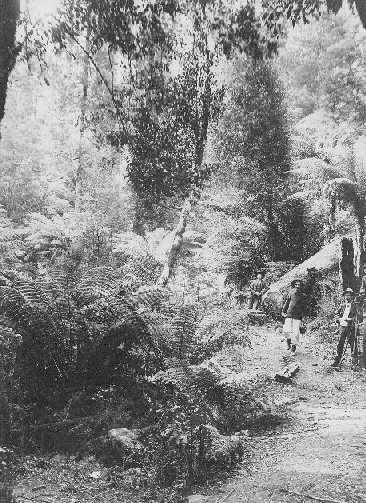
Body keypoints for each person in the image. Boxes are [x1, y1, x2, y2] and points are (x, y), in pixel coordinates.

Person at [331, 287, 357, 367]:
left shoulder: (355, 306)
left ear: (352, 296)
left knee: (353, 344)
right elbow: (337, 314)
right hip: (342, 326)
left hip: (350, 327)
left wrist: (350, 319)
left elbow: (357, 317)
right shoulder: (342, 305)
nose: (347, 297)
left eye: (349, 295)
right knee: (340, 344)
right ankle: (337, 361)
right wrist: (338, 319)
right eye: (346, 295)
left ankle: (354, 362)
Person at [282, 279, 307, 356]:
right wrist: (283, 311)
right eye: (296, 285)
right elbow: (287, 303)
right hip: (289, 314)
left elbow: (304, 308)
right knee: (286, 331)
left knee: (295, 334)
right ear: (294, 286)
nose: (297, 286)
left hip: (297, 316)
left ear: (301, 286)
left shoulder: (303, 296)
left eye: (299, 285)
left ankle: (293, 349)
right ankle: (288, 341)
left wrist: (303, 318)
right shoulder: (291, 293)